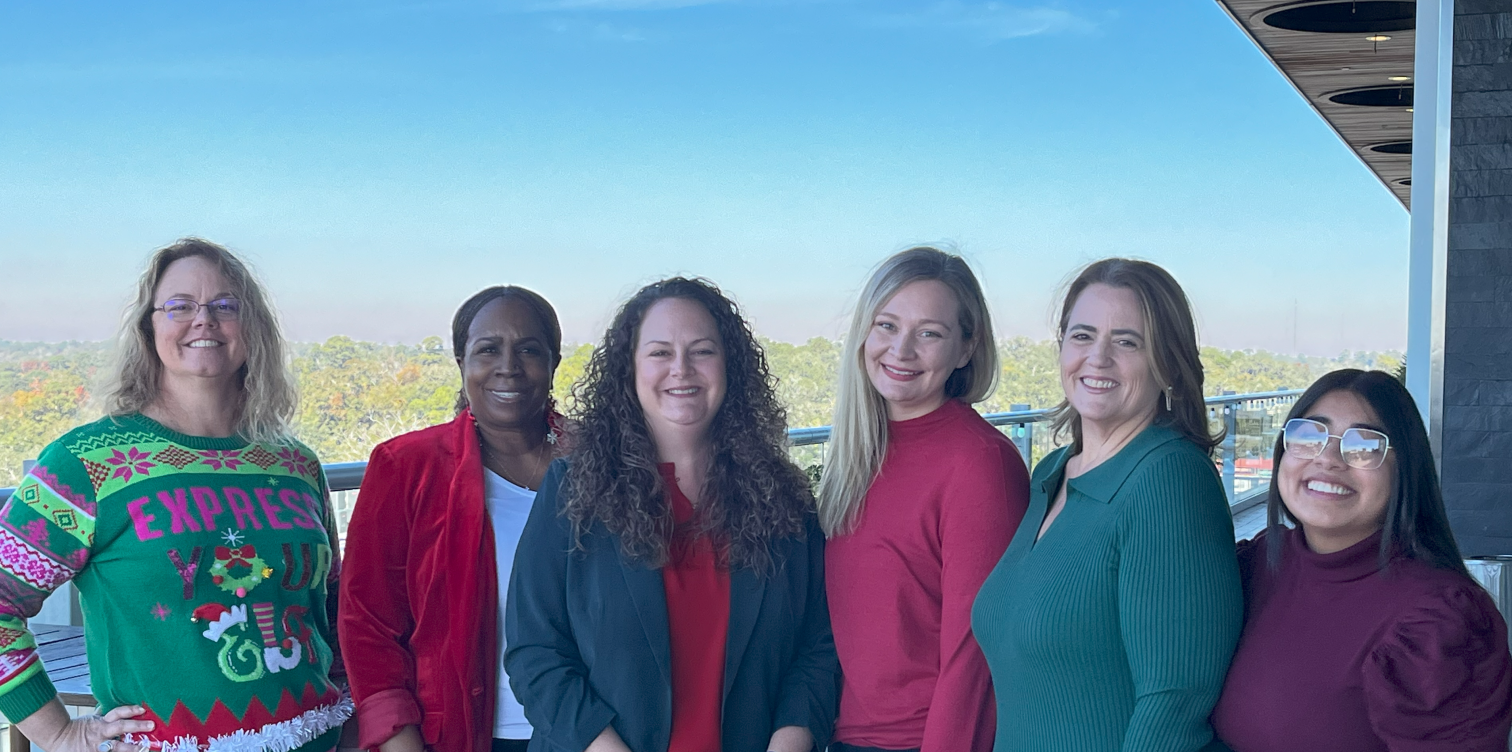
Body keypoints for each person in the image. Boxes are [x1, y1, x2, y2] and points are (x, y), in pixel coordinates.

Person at [0, 238, 350, 752]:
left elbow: (329, 602)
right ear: (148, 327)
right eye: (180, 306)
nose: (205, 320)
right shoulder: (87, 463)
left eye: (226, 305)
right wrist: (59, 733)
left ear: (254, 326)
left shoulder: (295, 464)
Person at [506, 277, 839, 752]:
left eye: (702, 351)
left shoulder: (783, 502)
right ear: (629, 370)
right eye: (660, 352)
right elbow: (535, 653)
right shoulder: (573, 492)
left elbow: (818, 647)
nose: (681, 369)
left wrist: (791, 741)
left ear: (731, 366)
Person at [971, 258, 1242, 752]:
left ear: (1168, 363)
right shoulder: (1051, 474)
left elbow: (1174, 704)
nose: (1098, 357)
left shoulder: (1169, 479)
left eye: (1127, 341)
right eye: (1082, 335)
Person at [1211, 369, 1512, 751]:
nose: (1329, 459)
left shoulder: (1437, 622)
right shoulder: (1258, 562)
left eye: (1365, 446)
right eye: (1309, 436)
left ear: (1405, 468)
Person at [817, 247, 1029, 752]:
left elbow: (972, 653)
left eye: (929, 333)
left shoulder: (979, 463)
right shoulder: (857, 451)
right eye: (886, 325)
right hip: (843, 735)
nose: (901, 350)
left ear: (966, 348)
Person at [340, 286, 566, 752]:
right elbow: (367, 621)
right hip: (454, 736)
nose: (508, 365)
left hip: (587, 731)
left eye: (529, 349)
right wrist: (398, 737)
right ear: (462, 363)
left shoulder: (602, 466)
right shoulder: (406, 467)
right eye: (488, 349)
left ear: (553, 363)